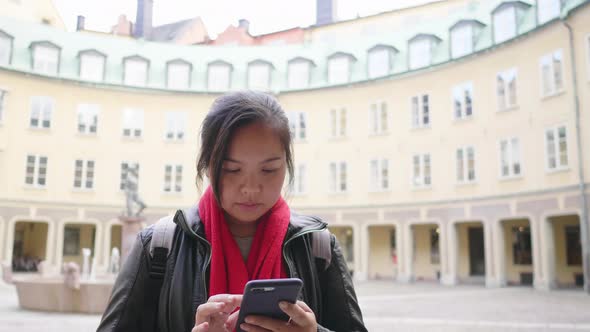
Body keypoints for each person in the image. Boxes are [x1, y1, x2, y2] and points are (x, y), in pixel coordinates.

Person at [96, 91, 367, 332]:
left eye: (269, 169)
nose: (250, 188)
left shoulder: (318, 247)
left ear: (287, 164)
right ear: (206, 165)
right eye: (232, 170)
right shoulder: (158, 247)